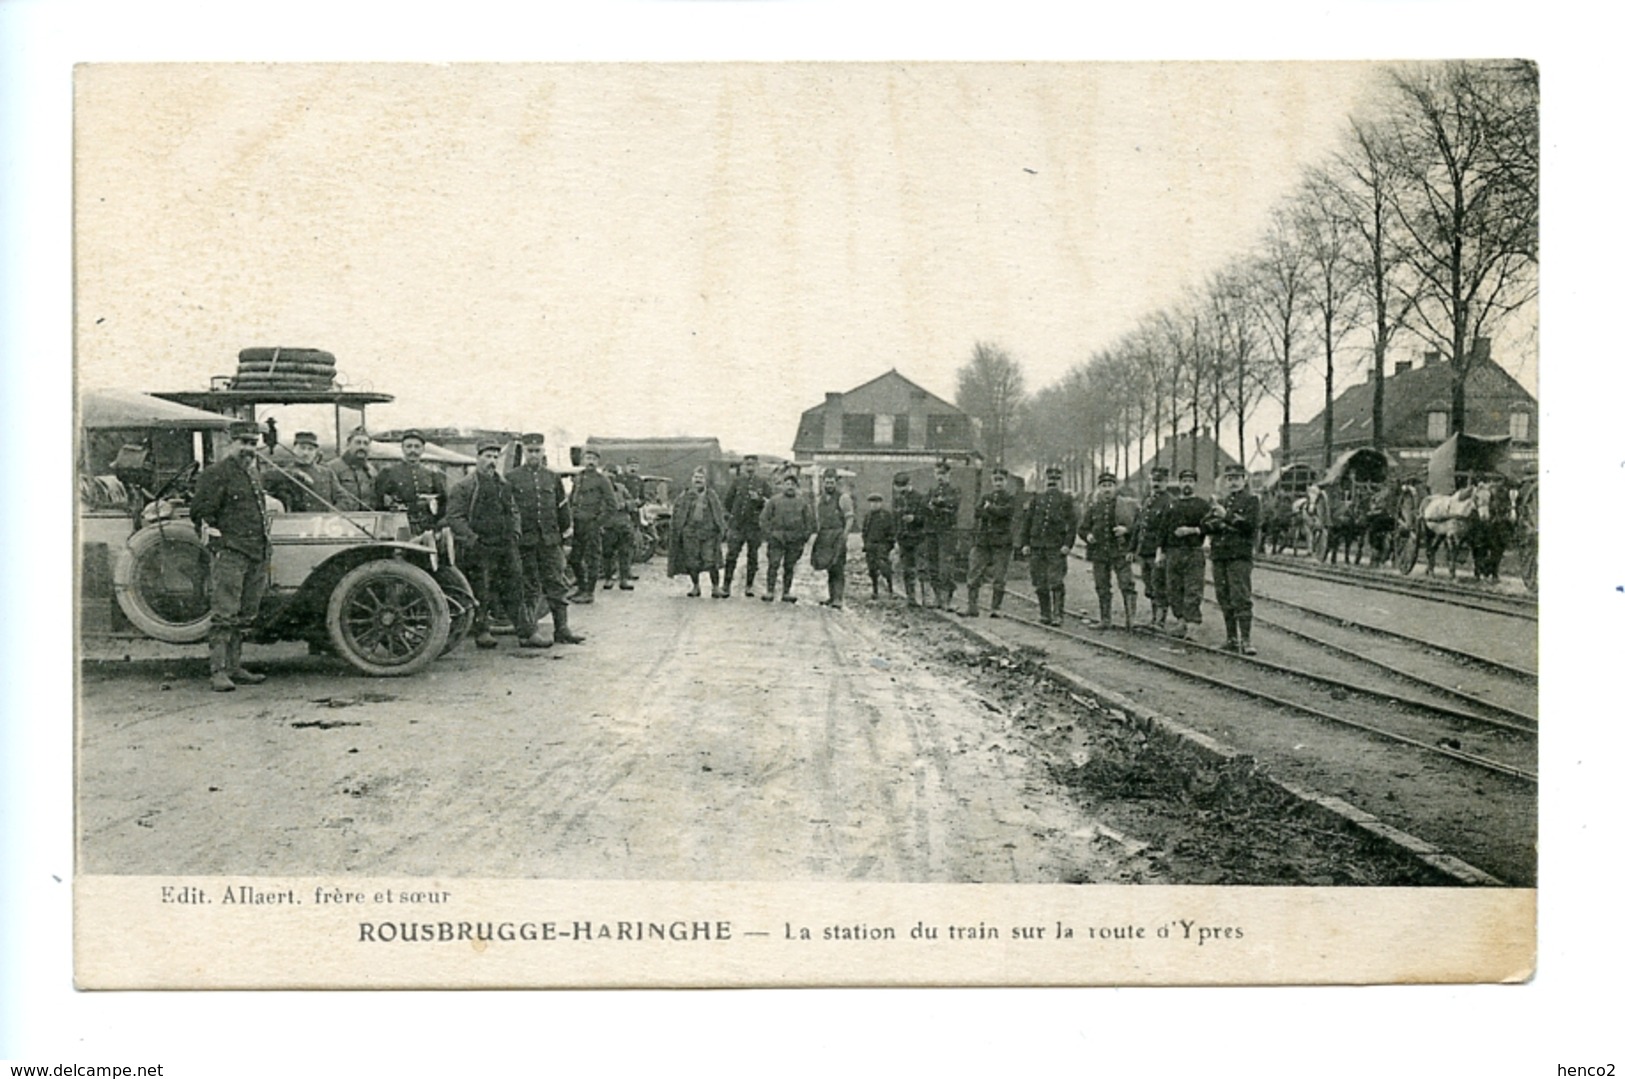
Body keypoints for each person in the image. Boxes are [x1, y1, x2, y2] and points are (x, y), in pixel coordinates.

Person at [191, 420, 273, 691]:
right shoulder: (217, 473)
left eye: (253, 443)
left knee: (244, 614)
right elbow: (201, 512)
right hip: (231, 554)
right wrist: (220, 546)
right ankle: (218, 671)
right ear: (230, 443)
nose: (249, 449)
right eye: (243, 443)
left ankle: (235, 667)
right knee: (225, 613)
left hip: (255, 552)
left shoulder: (252, 474)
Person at [447, 439, 552, 650]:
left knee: (516, 587)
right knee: (481, 590)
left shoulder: (503, 484)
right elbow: (455, 517)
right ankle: (482, 631)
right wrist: (472, 540)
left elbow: (513, 511)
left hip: (504, 544)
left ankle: (527, 633)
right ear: (477, 459)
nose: (491, 461)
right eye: (487, 456)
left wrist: (514, 532)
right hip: (479, 546)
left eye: (495, 457)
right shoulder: (464, 486)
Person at [509, 432, 585, 645]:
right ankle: (529, 633)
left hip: (550, 541)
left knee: (557, 585)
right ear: (524, 452)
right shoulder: (512, 478)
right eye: (529, 451)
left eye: (537, 450)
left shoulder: (552, 477)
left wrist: (565, 536)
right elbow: (509, 511)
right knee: (529, 587)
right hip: (525, 542)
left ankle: (562, 630)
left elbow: (563, 509)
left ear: (543, 452)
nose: (533, 454)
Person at [1206, 463, 1261, 654]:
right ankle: (1231, 639)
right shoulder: (1222, 500)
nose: (1233, 482)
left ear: (1244, 480)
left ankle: (1246, 641)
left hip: (1239, 556)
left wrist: (1225, 516)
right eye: (1229, 479)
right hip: (1220, 555)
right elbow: (1210, 524)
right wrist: (1216, 521)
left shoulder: (1252, 501)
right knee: (1224, 596)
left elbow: (1249, 526)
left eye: (1237, 478)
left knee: (1240, 597)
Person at [1079, 470, 1140, 630]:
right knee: (1102, 586)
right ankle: (1105, 620)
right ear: (1099, 488)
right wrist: (1089, 536)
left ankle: (1131, 621)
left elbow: (1140, 526)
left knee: (1127, 585)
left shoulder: (1126, 506)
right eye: (1104, 486)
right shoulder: (1093, 508)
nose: (1107, 489)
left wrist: (1126, 530)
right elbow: (1083, 528)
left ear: (1115, 487)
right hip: (1099, 554)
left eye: (1110, 485)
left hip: (1120, 552)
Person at [1018, 465, 1078, 626]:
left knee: (1056, 581)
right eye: (1050, 479)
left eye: (1056, 479)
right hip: (1037, 546)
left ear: (1060, 481)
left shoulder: (1066, 500)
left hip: (1056, 547)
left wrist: (1067, 544)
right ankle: (1045, 614)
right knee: (1039, 581)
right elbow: (1027, 522)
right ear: (1045, 480)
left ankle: (1058, 615)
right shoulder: (1037, 499)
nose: (1052, 482)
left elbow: (1072, 525)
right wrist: (1025, 543)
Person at [1161, 467, 1212, 640]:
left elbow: (1212, 525)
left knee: (1193, 588)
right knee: (1174, 588)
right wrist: (1162, 552)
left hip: (1193, 552)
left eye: (1190, 481)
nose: (1187, 485)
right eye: (1184, 481)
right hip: (1173, 552)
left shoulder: (1203, 505)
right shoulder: (1172, 504)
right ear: (1179, 483)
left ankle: (1193, 625)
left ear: (1195, 484)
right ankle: (1181, 621)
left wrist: (1193, 530)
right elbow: (1165, 529)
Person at [963, 466, 1017, 618]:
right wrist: (993, 510)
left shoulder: (1010, 498)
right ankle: (972, 607)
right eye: (995, 480)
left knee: (999, 577)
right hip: (983, 541)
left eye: (1001, 480)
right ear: (992, 481)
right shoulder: (986, 496)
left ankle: (995, 608)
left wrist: (990, 509)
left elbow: (1006, 512)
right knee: (974, 573)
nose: (998, 483)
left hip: (1002, 542)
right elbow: (977, 512)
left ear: (1006, 481)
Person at [667, 467, 728, 597]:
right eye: (696, 477)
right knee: (692, 562)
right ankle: (696, 587)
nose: (698, 480)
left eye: (701, 478)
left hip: (708, 534)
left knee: (711, 560)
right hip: (690, 534)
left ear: (705, 480)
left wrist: (720, 529)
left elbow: (718, 514)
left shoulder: (711, 495)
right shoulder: (684, 496)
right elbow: (677, 514)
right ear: (692, 479)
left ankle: (716, 588)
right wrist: (679, 531)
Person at [376, 429, 449, 535]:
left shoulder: (432, 474)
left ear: (423, 449)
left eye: (417, 446)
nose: (413, 450)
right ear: (402, 448)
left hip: (427, 528)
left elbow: (443, 501)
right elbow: (380, 503)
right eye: (409, 446)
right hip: (399, 528)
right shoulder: (388, 473)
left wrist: (437, 525)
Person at [721, 453, 775, 597]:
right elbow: (727, 501)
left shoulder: (762, 483)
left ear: (757, 466)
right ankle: (726, 586)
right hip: (738, 525)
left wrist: (760, 500)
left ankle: (749, 586)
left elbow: (771, 503)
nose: (749, 467)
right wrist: (733, 516)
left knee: (753, 556)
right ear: (744, 466)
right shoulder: (737, 482)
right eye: (747, 464)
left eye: (752, 464)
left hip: (754, 526)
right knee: (731, 555)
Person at [567, 448, 617, 602]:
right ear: (583, 460)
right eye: (588, 458)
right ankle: (581, 588)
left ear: (598, 462)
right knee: (574, 559)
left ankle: (589, 593)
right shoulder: (579, 477)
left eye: (594, 459)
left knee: (592, 559)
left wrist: (598, 522)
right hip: (577, 524)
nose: (590, 461)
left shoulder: (602, 480)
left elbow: (612, 505)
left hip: (591, 524)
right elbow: (572, 499)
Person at [758, 472, 815, 603]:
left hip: (795, 539)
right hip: (777, 538)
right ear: (783, 486)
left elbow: (810, 522)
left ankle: (786, 592)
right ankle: (770, 591)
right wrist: (769, 535)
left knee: (789, 566)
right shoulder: (774, 501)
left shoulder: (802, 502)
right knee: (773, 564)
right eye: (787, 484)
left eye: (792, 484)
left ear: (796, 487)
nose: (790, 487)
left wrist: (803, 537)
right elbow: (763, 519)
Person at [1133, 466, 1174, 630]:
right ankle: (1154, 618)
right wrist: (1132, 549)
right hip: (1145, 550)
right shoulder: (1147, 500)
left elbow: (1167, 529)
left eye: (1160, 481)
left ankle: (1160, 621)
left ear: (1166, 482)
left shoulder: (1169, 501)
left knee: (1159, 584)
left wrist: (1162, 550)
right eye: (1154, 480)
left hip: (1158, 550)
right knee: (1149, 585)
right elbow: (1139, 525)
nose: (1156, 484)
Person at [263, 430, 341, 513]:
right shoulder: (281, 474)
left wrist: (332, 513)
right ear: (294, 449)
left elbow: (344, 498)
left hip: (322, 522)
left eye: (310, 449)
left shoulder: (326, 473)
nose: (305, 453)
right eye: (302, 448)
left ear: (316, 452)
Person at [811, 468, 856, 609]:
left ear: (836, 482)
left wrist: (844, 535)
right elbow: (819, 518)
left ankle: (838, 598)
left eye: (831, 482)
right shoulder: (821, 499)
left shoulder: (843, 498)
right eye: (826, 482)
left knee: (838, 567)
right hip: (825, 535)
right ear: (823, 482)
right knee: (829, 566)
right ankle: (831, 597)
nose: (829, 485)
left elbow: (850, 518)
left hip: (837, 535)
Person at [920, 458, 962, 609]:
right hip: (932, 531)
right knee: (933, 565)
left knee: (946, 566)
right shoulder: (932, 491)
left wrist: (937, 505)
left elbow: (952, 504)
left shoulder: (954, 491)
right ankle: (938, 597)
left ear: (949, 474)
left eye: (943, 474)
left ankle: (947, 599)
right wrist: (936, 505)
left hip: (946, 532)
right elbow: (924, 505)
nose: (940, 477)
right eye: (937, 473)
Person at [891, 471, 929, 607]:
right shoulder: (897, 500)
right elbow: (895, 520)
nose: (900, 489)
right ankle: (911, 598)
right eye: (898, 486)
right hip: (904, 539)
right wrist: (896, 538)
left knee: (921, 569)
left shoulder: (920, 498)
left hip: (918, 538)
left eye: (903, 486)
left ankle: (925, 599)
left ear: (909, 484)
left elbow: (926, 518)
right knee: (907, 570)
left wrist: (915, 519)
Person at [599, 466, 635, 591]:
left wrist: (625, 504)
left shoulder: (621, 488)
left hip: (623, 525)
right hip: (607, 526)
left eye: (613, 474)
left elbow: (633, 502)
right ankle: (609, 578)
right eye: (608, 474)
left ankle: (624, 579)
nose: (610, 477)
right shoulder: (598, 490)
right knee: (607, 553)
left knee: (624, 553)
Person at [328, 427, 380, 511]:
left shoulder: (372, 471)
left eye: (366, 443)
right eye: (358, 443)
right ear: (348, 445)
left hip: (368, 519)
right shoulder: (332, 468)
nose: (362, 447)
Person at [860, 493, 896, 598]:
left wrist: (889, 545)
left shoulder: (886, 515)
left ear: (881, 503)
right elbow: (864, 531)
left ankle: (891, 590)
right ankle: (875, 591)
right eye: (872, 503)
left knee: (885, 569)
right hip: (871, 546)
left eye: (876, 503)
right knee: (872, 570)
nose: (874, 505)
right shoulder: (868, 516)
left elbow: (891, 531)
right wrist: (866, 543)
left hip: (882, 545)